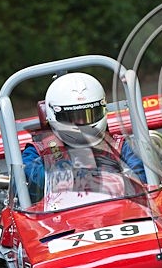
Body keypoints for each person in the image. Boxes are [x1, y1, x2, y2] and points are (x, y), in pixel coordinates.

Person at [23, 72, 146, 202]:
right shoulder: (36, 153)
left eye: (89, 114)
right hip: (59, 217)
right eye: (73, 117)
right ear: (53, 115)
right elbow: (33, 186)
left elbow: (145, 185)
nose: (82, 123)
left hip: (119, 212)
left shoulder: (122, 146)